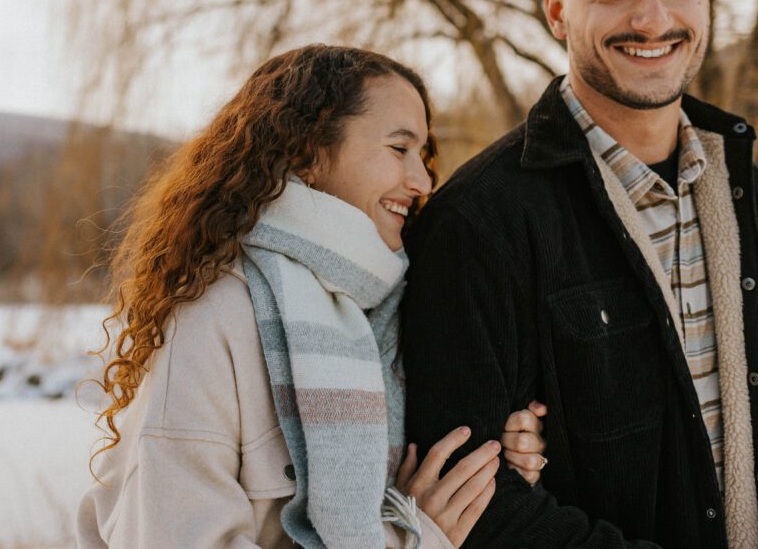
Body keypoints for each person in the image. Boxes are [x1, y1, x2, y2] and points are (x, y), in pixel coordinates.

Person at [401, 0, 758, 548]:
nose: (652, 19)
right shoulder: (479, 221)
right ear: (556, 10)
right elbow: (475, 505)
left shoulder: (739, 184)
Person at [75, 44, 548, 548]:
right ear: (309, 155)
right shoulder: (217, 316)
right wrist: (413, 540)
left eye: (423, 153)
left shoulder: (390, 309)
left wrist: (497, 459)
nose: (423, 179)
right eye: (398, 149)